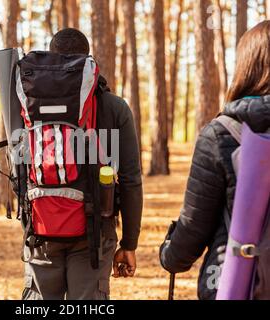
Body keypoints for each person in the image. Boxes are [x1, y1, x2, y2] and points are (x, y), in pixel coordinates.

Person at [22, 28, 143, 300]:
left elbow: (20, 169)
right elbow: (131, 179)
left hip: (41, 227)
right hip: (94, 233)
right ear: (87, 60)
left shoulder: (29, 104)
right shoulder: (114, 107)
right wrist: (129, 243)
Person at [159, 21, 270, 300]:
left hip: (238, 280)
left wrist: (170, 256)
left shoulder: (223, 133)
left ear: (247, 66)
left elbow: (195, 225)